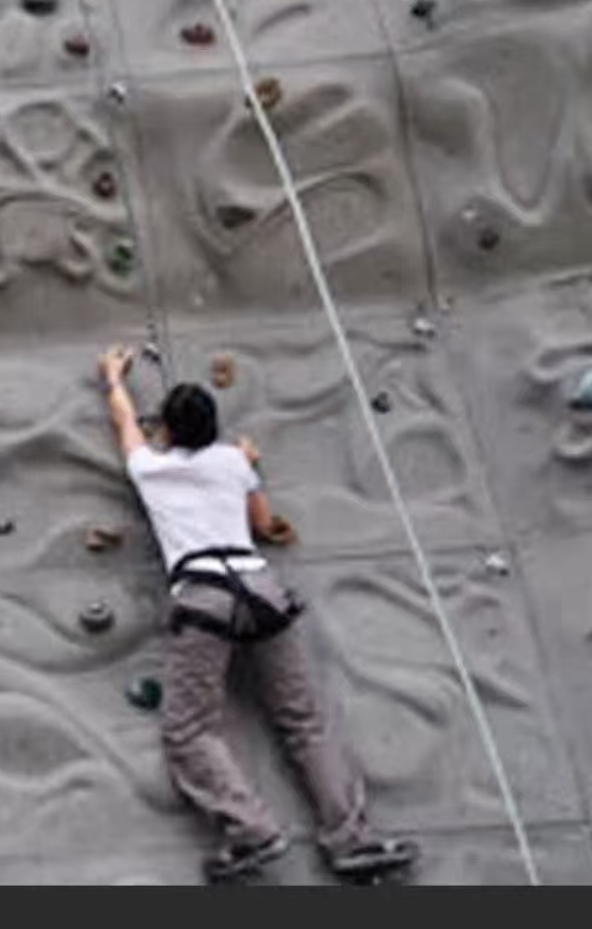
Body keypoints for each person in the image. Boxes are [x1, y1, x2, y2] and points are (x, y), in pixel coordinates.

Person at [97, 344, 419, 883]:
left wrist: (113, 377)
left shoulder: (150, 468)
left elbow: (124, 421)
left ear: (167, 432)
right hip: (261, 587)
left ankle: (251, 829)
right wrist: (246, 461)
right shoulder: (231, 461)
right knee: (303, 720)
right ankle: (352, 839)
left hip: (204, 595)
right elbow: (264, 524)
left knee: (189, 728)